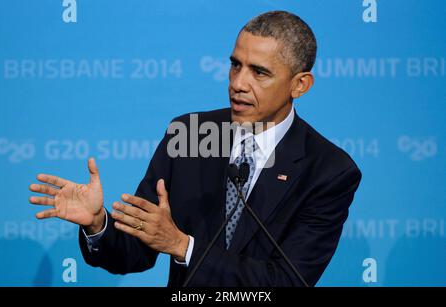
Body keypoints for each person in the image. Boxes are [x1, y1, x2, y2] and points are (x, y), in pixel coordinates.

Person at [29, 11, 361, 286]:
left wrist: (183, 246)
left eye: (259, 72)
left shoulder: (328, 171)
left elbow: (287, 282)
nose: (238, 83)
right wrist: (97, 223)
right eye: (235, 65)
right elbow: (135, 252)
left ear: (299, 85)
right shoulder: (190, 135)